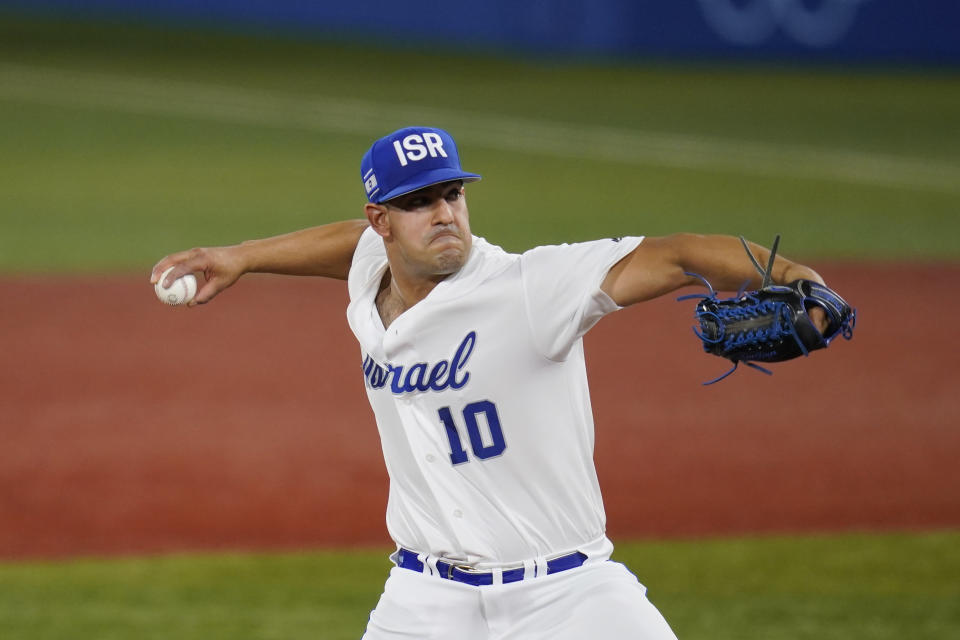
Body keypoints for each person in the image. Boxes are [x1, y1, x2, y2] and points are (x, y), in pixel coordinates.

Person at [151, 126, 828, 639]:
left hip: (568, 596)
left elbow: (678, 257)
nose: (445, 213)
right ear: (381, 221)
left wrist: (802, 280)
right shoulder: (370, 268)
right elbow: (346, 246)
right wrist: (239, 257)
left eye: (452, 193)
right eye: (419, 202)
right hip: (424, 600)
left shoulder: (531, 288)